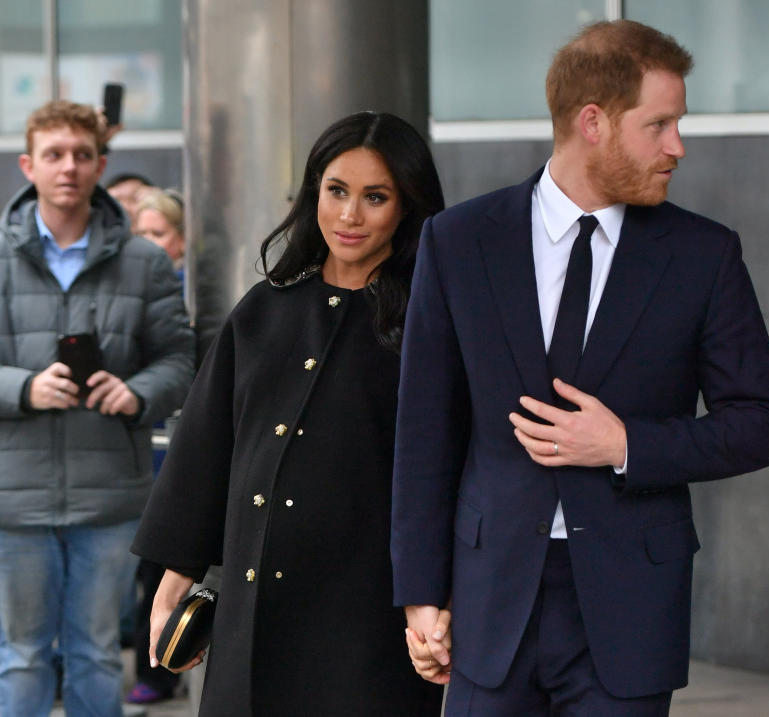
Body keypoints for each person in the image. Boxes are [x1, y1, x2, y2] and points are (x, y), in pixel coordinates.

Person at [392, 20, 769, 717]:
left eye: (678, 124)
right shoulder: (458, 241)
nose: (678, 147)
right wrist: (421, 595)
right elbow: (425, 430)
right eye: (659, 124)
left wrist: (627, 445)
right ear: (593, 122)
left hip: (630, 605)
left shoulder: (704, 255)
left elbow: (760, 424)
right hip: (489, 602)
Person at [131, 111, 446, 716]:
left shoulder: (429, 323)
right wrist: (174, 581)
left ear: (406, 206)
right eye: (336, 191)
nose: (350, 216)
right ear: (313, 193)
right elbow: (205, 448)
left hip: (370, 618)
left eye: (375, 197)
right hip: (253, 613)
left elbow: (447, 467)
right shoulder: (265, 309)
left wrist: (437, 599)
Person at [0, 100, 194, 717]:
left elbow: (181, 361)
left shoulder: (144, 261)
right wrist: (22, 389)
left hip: (109, 496)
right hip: (14, 498)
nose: (69, 168)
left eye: (83, 155)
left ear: (101, 164)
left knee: (96, 653)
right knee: (23, 654)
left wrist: (138, 392)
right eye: (54, 155)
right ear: (29, 165)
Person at [124, 186, 189, 705]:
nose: (148, 244)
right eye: (140, 233)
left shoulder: (194, 295)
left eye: (158, 233)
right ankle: (154, 662)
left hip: (180, 451)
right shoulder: (132, 292)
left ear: (181, 241)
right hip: (143, 452)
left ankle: (164, 670)